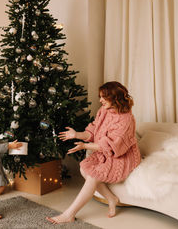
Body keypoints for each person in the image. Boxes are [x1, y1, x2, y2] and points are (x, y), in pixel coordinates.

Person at [46, 81, 141, 224]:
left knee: (92, 176)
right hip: (104, 152)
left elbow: (112, 146)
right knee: (84, 169)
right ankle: (111, 198)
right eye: (100, 97)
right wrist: (76, 135)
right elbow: (92, 130)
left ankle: (69, 214)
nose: (100, 100)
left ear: (115, 98)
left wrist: (85, 146)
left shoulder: (125, 119)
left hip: (122, 156)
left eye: (104, 97)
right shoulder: (103, 110)